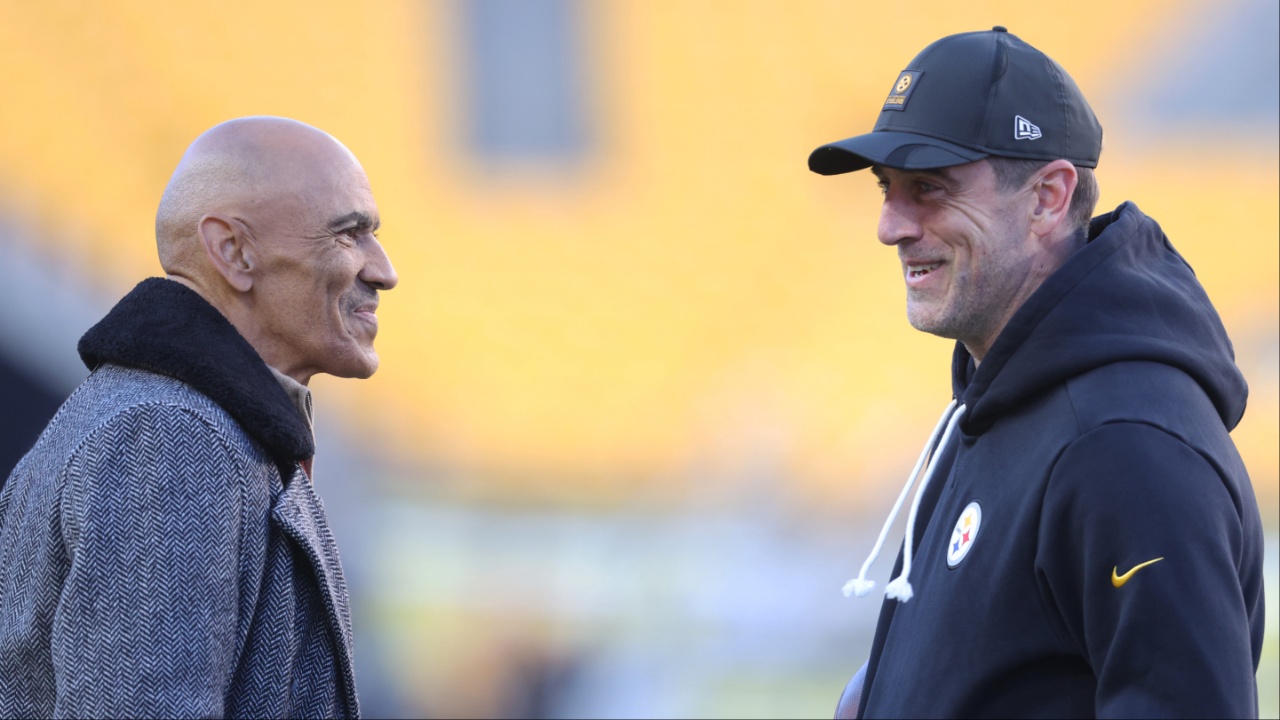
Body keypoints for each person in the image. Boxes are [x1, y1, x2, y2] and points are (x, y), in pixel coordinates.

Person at [808, 28, 1264, 718]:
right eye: (887, 188)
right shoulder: (997, 400)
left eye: (928, 188)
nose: (890, 226)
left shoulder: (1123, 442)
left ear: (1049, 197)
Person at [0, 116, 397, 718]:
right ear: (234, 252)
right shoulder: (168, 440)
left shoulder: (180, 422)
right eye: (349, 234)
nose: (383, 270)